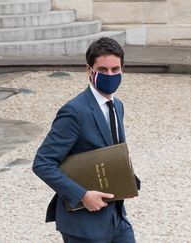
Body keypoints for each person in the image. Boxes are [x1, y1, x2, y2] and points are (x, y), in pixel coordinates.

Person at [33, 37, 140, 243]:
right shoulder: (74, 112)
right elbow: (43, 163)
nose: (110, 75)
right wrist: (82, 195)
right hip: (84, 226)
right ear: (89, 70)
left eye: (115, 69)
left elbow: (110, 152)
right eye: (103, 69)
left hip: (117, 218)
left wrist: (128, 179)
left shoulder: (117, 106)